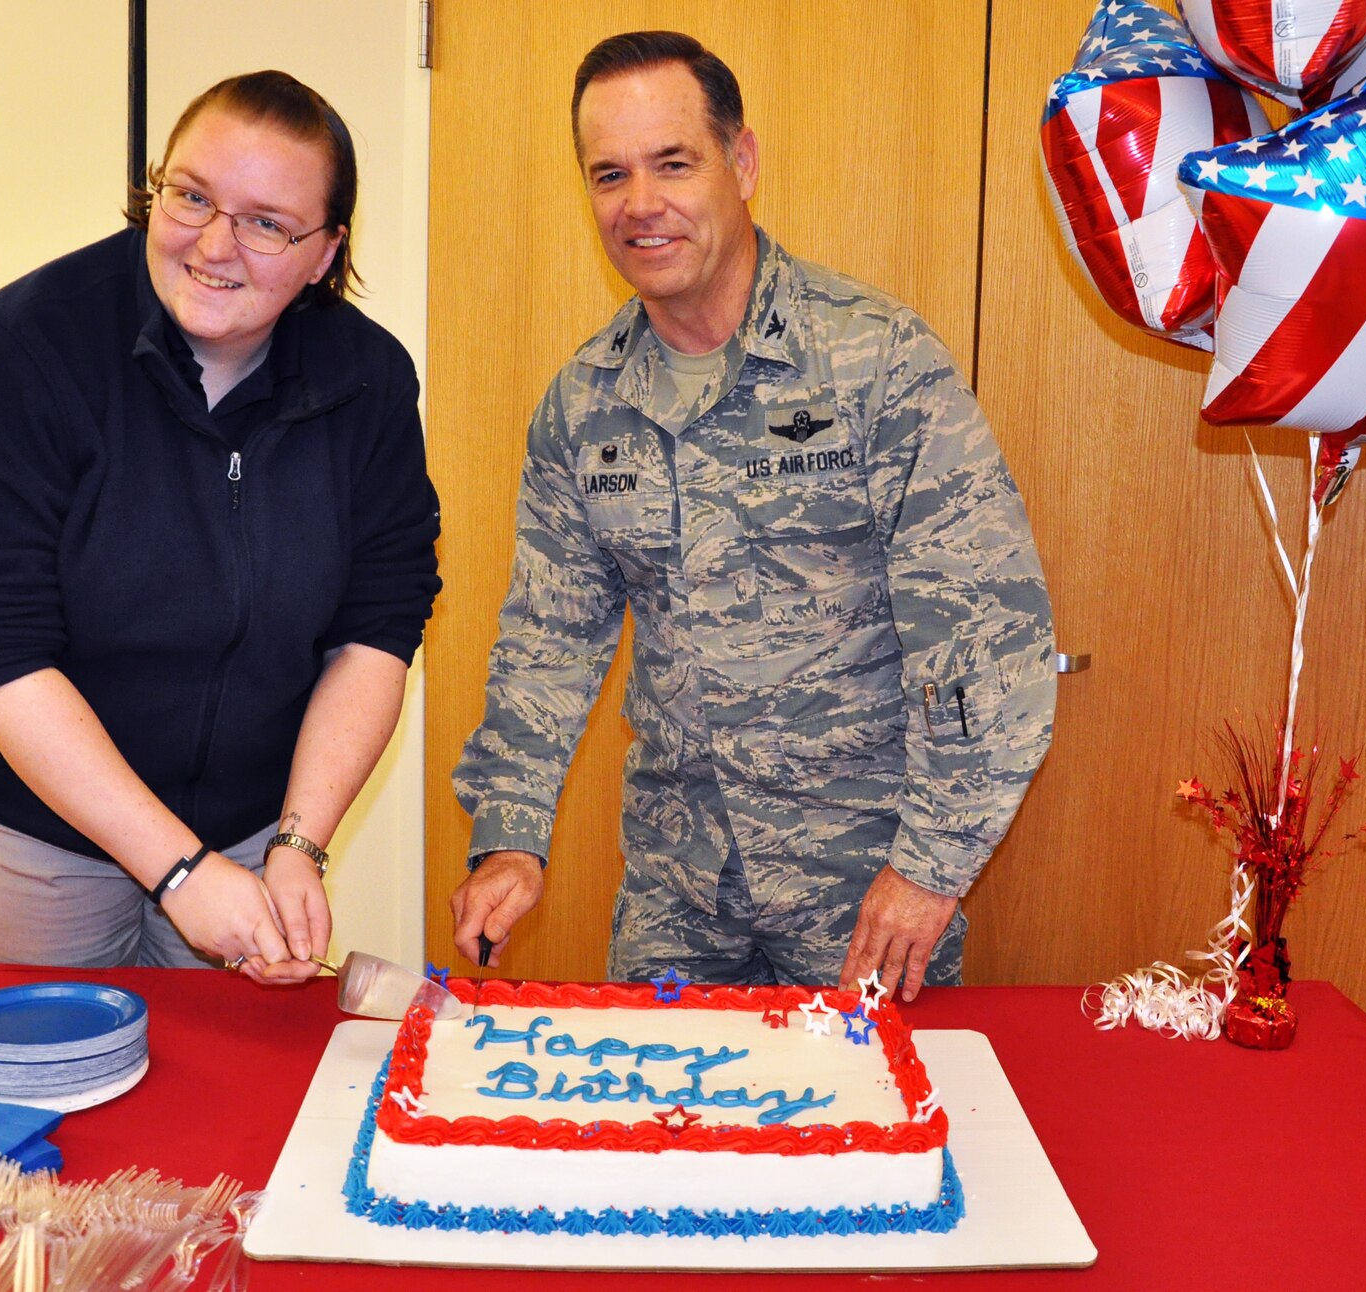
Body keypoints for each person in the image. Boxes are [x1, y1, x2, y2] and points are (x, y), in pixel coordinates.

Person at [449, 32, 1055, 1001]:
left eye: (672, 163)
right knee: (662, 1143)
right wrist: (511, 834)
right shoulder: (584, 405)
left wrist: (933, 866)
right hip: (674, 891)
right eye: (609, 174)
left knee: (864, 1144)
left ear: (741, 163)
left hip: (865, 891)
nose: (638, 203)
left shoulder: (874, 361)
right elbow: (547, 639)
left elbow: (985, 629)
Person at [0, 71, 440, 983]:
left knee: (222, 1091)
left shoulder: (368, 381)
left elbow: (376, 626)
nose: (215, 244)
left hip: (252, 813)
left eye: (268, 222)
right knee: (51, 1083)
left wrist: (299, 841)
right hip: (26, 819)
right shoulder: (24, 350)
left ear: (325, 250)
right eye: (190, 197)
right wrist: (177, 866)